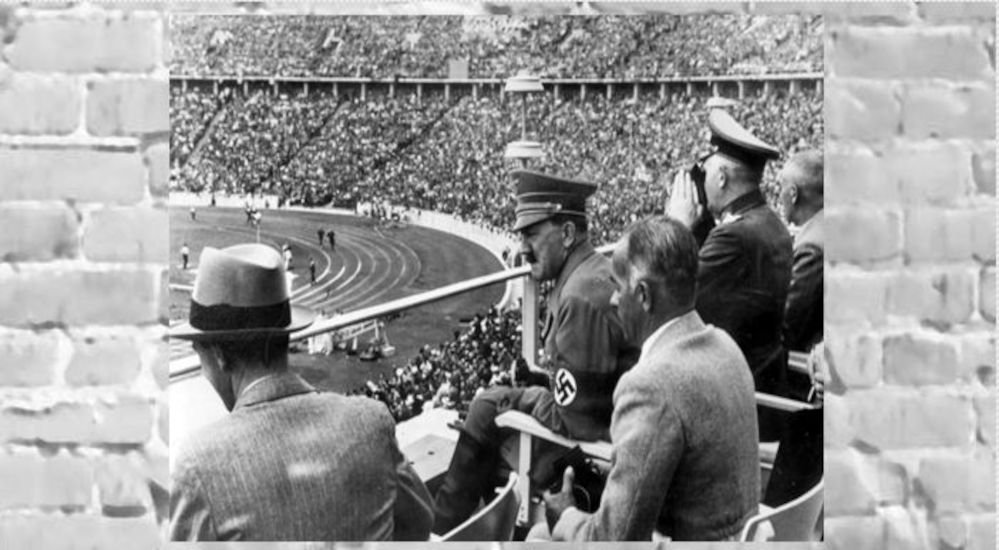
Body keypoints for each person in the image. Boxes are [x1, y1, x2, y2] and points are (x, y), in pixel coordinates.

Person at [169, 243, 433, 541]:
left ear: (218, 355)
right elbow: (421, 523)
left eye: (199, 353)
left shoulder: (198, 465)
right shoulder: (370, 421)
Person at [432, 169, 640, 534]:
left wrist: (525, 397)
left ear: (567, 233)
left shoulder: (579, 297)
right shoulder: (591, 273)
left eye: (531, 234)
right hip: (613, 421)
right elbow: (592, 383)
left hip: (599, 445)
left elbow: (577, 419)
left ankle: (442, 531)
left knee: (486, 407)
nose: (522, 249)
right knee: (495, 402)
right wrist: (542, 380)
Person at [536, 216, 760, 541]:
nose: (613, 300)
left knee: (539, 536)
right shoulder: (726, 346)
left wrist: (566, 517)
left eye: (617, 287)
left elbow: (615, 540)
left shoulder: (650, 386)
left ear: (643, 295)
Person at [666, 109, 793, 440]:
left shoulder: (734, 237)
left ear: (722, 178)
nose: (702, 180)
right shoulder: (768, 222)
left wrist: (676, 227)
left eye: (707, 171)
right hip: (761, 386)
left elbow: (671, 298)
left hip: (734, 402)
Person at [778, 149, 823, 355]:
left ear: (793, 194)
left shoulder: (812, 247)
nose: (780, 195)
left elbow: (789, 328)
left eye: (781, 187)